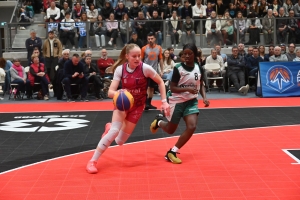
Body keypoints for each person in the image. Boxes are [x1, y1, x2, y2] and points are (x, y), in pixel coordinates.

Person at [86, 44, 170, 174]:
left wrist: (164, 102)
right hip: (123, 103)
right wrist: (120, 94)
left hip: (137, 106)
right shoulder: (120, 69)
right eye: (134, 56)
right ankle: (93, 161)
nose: (137, 59)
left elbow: (160, 82)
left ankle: (109, 127)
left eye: (139, 56)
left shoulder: (145, 68)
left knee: (119, 141)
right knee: (114, 132)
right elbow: (110, 92)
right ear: (127, 56)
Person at [149, 43, 209, 164]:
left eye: (190, 54)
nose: (187, 56)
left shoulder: (199, 67)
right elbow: (173, 87)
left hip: (191, 101)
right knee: (171, 130)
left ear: (195, 54)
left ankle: (172, 151)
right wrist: (187, 89)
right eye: (184, 54)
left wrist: (204, 97)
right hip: (176, 101)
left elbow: (201, 84)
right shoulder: (178, 68)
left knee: (192, 126)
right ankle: (159, 122)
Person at [141, 32, 163, 110]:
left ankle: (149, 103)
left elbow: (160, 59)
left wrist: (162, 70)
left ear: (155, 39)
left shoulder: (159, 48)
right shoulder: (144, 48)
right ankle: (146, 103)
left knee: (152, 88)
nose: (150, 40)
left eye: (151, 38)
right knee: (147, 87)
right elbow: (141, 60)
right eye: (149, 39)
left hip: (155, 71)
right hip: (146, 71)